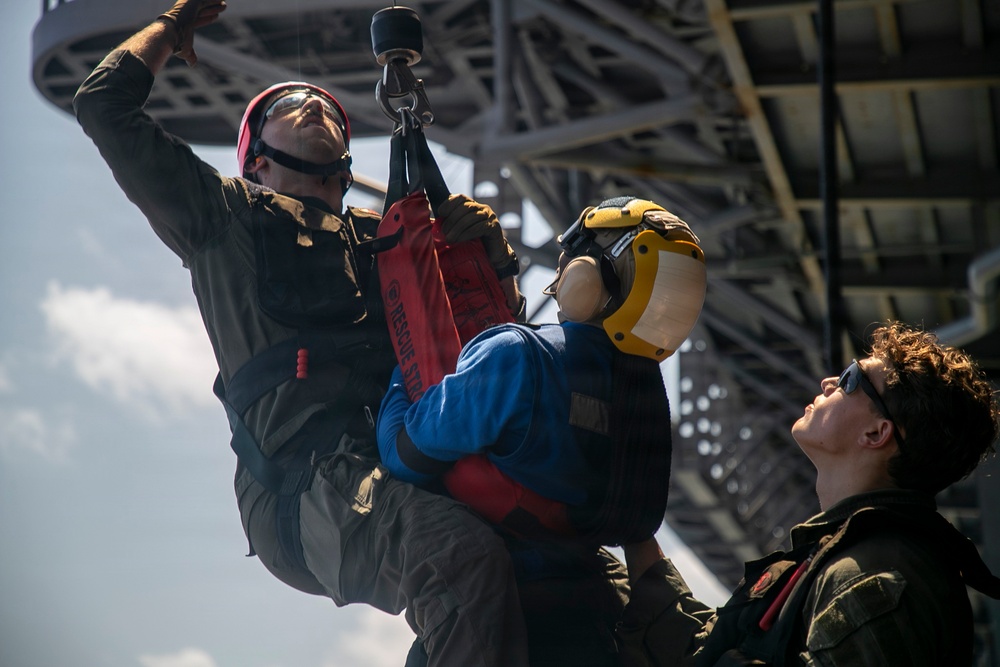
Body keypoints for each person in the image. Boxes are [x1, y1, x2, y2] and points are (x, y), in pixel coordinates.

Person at [71, 1, 558, 665]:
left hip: (405, 460)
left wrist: (485, 261)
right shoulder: (224, 218)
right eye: (286, 106)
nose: (310, 104)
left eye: (324, 105)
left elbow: (483, 352)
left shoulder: (386, 242)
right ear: (256, 163)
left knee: (561, 569)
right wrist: (172, 28)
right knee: (458, 556)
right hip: (303, 488)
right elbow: (102, 104)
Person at [616, 321, 1000, 666]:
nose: (829, 382)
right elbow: (700, 649)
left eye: (851, 379)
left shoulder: (872, 583)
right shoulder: (840, 560)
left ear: (876, 434)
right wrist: (633, 522)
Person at [377, 196, 706, 545]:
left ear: (591, 273)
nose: (563, 259)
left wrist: (405, 359)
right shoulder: (646, 402)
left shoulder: (514, 358)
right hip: (582, 580)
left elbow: (401, 457)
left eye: (576, 247)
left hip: (492, 576)